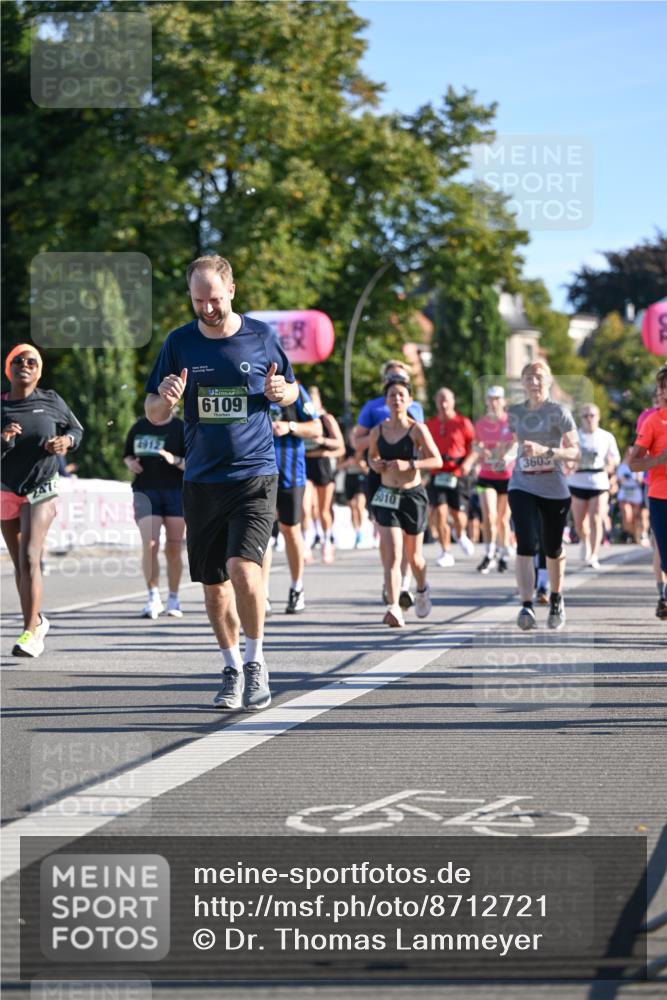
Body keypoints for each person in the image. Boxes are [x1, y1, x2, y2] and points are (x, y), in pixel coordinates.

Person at [144, 254, 298, 712]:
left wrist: (279, 393)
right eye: (198, 300)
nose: (207, 308)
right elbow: (152, 411)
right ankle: (230, 665)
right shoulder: (179, 343)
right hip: (202, 479)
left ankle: (255, 663)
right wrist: (166, 401)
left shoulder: (261, 337)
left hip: (253, 474)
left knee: (243, 569)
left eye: (214, 298)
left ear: (231, 290)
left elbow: (291, 388)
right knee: (213, 586)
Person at [1, 344, 83, 657]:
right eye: (18, 361)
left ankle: (29, 633)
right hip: (6, 487)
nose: (25, 364)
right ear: (8, 369)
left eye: (32, 361)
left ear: (39, 370)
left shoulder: (51, 400)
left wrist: (66, 441)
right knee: (20, 565)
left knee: (30, 556)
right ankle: (36, 620)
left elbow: (76, 429)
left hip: (42, 486)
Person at [506, 359, 580, 631]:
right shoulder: (514, 412)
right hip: (522, 483)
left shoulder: (560, 412)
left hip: (554, 488)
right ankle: (526, 605)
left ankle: (557, 598)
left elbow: (575, 451)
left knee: (553, 547)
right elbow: (512, 444)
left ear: (548, 380)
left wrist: (545, 451)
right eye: (529, 377)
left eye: (539, 377)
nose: (534, 382)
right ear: (523, 382)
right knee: (525, 542)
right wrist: (501, 456)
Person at [368, 378, 441, 627]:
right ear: (386, 401)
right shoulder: (377, 431)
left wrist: (410, 464)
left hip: (413, 496)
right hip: (387, 495)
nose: (396, 399)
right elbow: (370, 457)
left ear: (409, 400)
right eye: (392, 395)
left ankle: (421, 587)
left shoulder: (417, 429)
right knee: (392, 553)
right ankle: (393, 606)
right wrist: (374, 464)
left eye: (401, 395)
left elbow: (436, 461)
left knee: (414, 557)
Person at [352, 359, 424, 607]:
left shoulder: (415, 408)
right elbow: (356, 441)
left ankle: (403, 583)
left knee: (407, 536)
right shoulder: (373, 408)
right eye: (392, 379)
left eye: (402, 381)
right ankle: (391, 578)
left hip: (408, 480)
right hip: (379, 476)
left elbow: (423, 446)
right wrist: (379, 435)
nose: (397, 387)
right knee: (389, 536)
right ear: (385, 383)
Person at [263, 384, 322, 613]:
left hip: (290, 474)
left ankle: (297, 587)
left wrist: (290, 426)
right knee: (263, 534)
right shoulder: (251, 384)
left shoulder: (295, 390)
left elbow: (316, 428)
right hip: (258, 473)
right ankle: (262, 593)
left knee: (290, 530)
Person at [123, 410, 186, 618]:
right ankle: (153, 597)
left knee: (174, 549)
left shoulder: (181, 427)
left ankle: (174, 598)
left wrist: (174, 459)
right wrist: (130, 463)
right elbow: (127, 455)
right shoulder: (139, 427)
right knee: (150, 545)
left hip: (176, 491)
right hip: (145, 491)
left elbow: (193, 462)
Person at [629, 364, 667, 619]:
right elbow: (633, 463)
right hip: (660, 495)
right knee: (665, 557)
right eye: (661, 387)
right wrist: (658, 460)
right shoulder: (654, 420)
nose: (662, 391)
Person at [426, 387, 476, 567]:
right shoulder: (430, 424)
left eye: (446, 399)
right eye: (440, 399)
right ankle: (446, 551)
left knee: (458, 514)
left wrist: (468, 463)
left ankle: (460, 534)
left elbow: (474, 447)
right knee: (439, 512)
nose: (443, 403)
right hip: (437, 472)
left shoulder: (463, 422)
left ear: (453, 402)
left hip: (458, 472)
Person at [567, 405, 620, 569]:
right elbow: (566, 455)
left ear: (598, 417)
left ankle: (594, 555)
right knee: (579, 524)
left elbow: (615, 458)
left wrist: (611, 465)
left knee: (596, 518)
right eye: (585, 416)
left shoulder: (606, 436)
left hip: (599, 481)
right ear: (580, 418)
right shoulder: (574, 437)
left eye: (592, 415)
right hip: (577, 481)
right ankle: (584, 540)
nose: (589, 419)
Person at [470, 385, 514, 574]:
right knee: (489, 516)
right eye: (491, 399)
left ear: (503, 401)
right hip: (486, 476)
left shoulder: (510, 422)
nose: (494, 402)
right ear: (487, 401)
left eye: (497, 398)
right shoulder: (481, 424)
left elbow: (517, 444)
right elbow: (474, 444)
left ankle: (503, 553)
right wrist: (482, 451)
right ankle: (489, 553)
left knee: (503, 519)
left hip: (507, 476)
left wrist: (506, 457)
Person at [303, 386, 345, 564]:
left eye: (313, 400)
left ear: (319, 401)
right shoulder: (303, 420)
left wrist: (322, 442)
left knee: (323, 510)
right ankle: (306, 544)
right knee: (305, 508)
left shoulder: (326, 419)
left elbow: (340, 446)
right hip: (305, 465)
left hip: (323, 467)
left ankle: (328, 541)